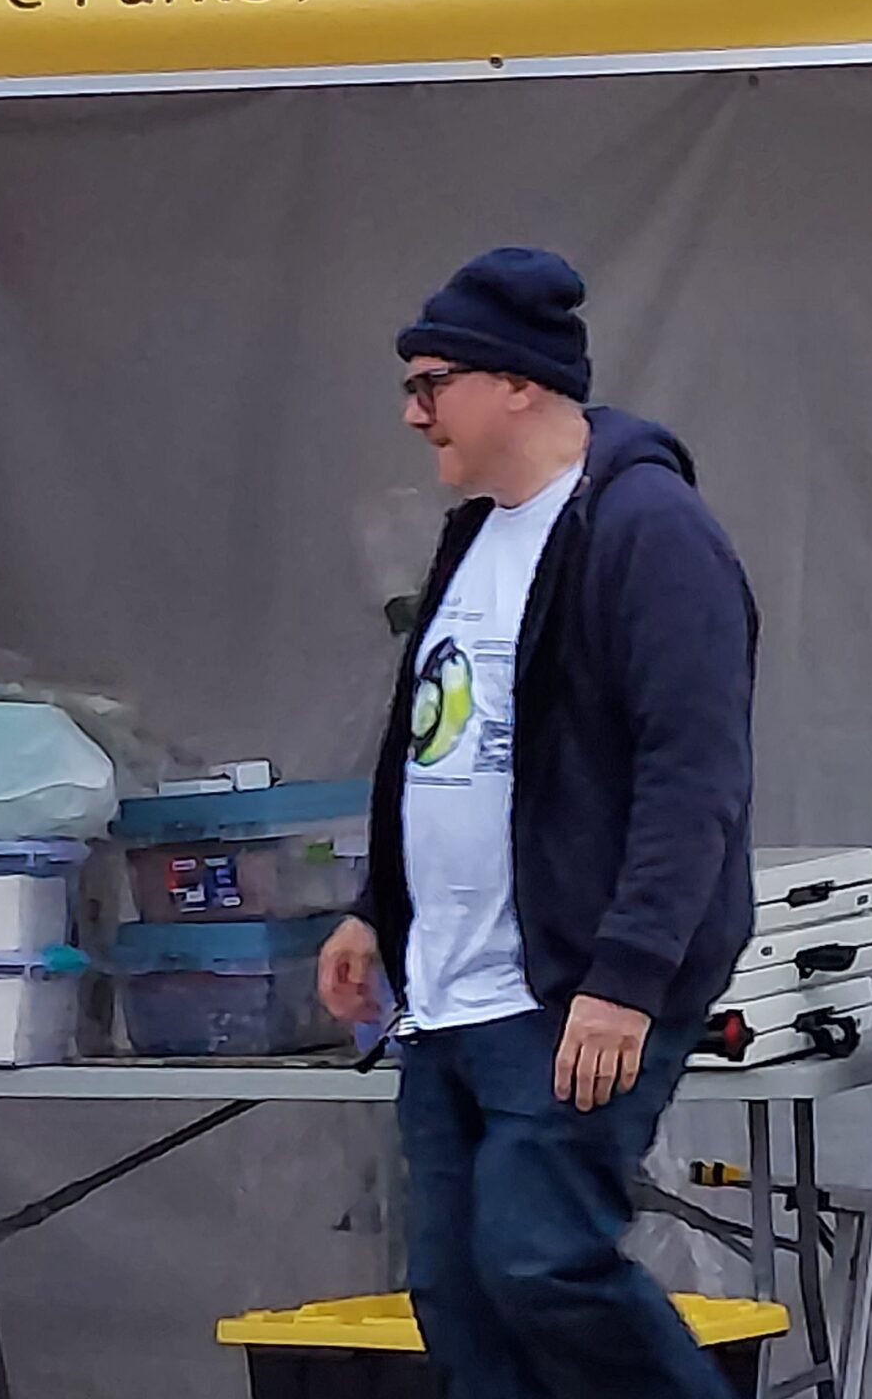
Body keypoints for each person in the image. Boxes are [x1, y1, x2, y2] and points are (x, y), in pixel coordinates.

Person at [318, 245, 756, 1399]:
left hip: (563, 990)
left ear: (517, 382)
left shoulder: (647, 528)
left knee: (541, 1260)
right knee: (455, 1292)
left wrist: (626, 978)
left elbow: (692, 775)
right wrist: (377, 910)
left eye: (431, 384)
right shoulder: (474, 536)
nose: (412, 414)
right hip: (447, 991)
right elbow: (435, 740)